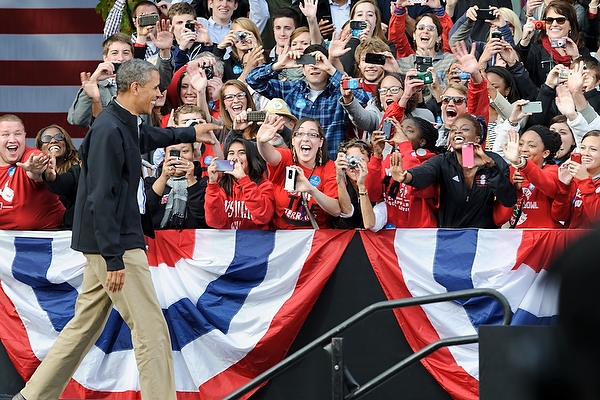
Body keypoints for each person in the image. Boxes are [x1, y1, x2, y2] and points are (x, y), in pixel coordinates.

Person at [12, 59, 221, 400]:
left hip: (106, 244)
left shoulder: (123, 121)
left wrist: (188, 132)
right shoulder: (110, 128)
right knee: (151, 331)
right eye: (155, 88)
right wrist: (113, 258)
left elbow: (148, 135)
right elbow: (100, 199)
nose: (159, 95)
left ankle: (31, 396)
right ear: (135, 87)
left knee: (82, 328)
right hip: (116, 246)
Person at [391, 113, 516, 228]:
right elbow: (425, 172)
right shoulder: (443, 160)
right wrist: (406, 177)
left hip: (483, 241)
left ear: (478, 139)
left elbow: (508, 199)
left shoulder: (494, 161)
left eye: (465, 129)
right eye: (453, 130)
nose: (457, 132)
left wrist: (490, 168)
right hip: (449, 239)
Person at [246, 44, 370, 159]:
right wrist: (279, 65)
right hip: (299, 162)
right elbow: (252, 80)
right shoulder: (292, 89)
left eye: (319, 62)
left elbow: (364, 98)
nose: (314, 66)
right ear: (303, 69)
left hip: (331, 166)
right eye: (308, 62)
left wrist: (331, 69)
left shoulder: (339, 91)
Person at [256, 115, 341, 229]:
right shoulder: (286, 157)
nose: (305, 138)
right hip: (281, 238)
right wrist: (261, 141)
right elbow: (269, 155)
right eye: (300, 134)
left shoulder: (330, 168)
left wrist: (311, 190)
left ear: (320, 142)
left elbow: (335, 210)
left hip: (315, 240)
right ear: (293, 140)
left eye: (312, 134)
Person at [366, 117, 440, 229]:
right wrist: (376, 156)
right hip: (393, 233)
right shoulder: (391, 159)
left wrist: (405, 145)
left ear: (422, 141)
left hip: (420, 234)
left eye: (409, 131)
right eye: (399, 129)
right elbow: (373, 195)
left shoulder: (432, 163)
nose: (401, 134)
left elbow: (414, 183)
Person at [0, 114, 65, 231]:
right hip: (5, 244)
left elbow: (36, 167)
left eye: (17, 134)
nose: (12, 139)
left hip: (48, 241)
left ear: (24, 136)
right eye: (5, 134)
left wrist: (36, 170)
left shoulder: (32, 156)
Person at [498, 125, 563, 228]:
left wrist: (522, 163)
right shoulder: (511, 172)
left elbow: (548, 185)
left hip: (545, 240)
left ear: (545, 153)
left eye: (531, 146)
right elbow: (499, 219)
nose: (523, 149)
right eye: (520, 144)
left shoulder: (554, 171)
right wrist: (513, 192)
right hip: (517, 240)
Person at [204, 137, 275, 229]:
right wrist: (212, 184)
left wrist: (243, 180)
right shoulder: (220, 185)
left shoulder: (264, 185)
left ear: (250, 157)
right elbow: (214, 222)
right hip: (229, 242)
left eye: (241, 153)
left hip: (255, 241)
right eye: (231, 153)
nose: (235, 158)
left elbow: (263, 217)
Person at [517, 1, 590, 88]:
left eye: (560, 20)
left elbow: (590, 79)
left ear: (571, 25)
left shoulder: (582, 51)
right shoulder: (534, 51)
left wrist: (576, 58)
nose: (554, 24)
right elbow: (517, 70)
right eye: (549, 20)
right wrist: (524, 41)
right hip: (544, 99)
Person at [67, 33, 134, 127]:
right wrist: (92, 83)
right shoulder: (97, 85)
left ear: (132, 57)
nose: (121, 58)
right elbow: (77, 120)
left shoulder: (142, 84)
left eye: (126, 53)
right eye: (114, 53)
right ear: (105, 57)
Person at [145, 141, 209, 229]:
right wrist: (163, 177)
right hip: (158, 241)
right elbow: (145, 213)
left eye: (185, 151)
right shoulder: (150, 183)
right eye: (173, 152)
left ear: (193, 155)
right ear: (165, 156)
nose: (179, 157)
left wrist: (190, 178)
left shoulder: (205, 184)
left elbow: (204, 216)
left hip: (192, 240)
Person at [35, 125, 81, 230]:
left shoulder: (78, 168)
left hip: (69, 232)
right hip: (45, 230)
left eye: (59, 137)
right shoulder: (35, 173)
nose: (53, 141)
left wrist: (53, 178)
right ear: (40, 147)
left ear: (66, 143)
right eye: (47, 139)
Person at [551, 130, 600, 228]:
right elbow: (559, 216)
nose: (585, 153)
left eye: (593, 149)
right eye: (582, 148)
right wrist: (564, 186)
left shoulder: (582, 180)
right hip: (573, 241)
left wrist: (585, 181)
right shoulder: (575, 180)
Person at [334, 138, 374, 228]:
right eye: (351, 159)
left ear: (370, 162)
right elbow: (347, 214)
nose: (354, 164)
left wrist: (362, 186)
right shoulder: (338, 184)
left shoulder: (378, 185)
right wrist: (339, 177)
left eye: (360, 160)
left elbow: (370, 224)